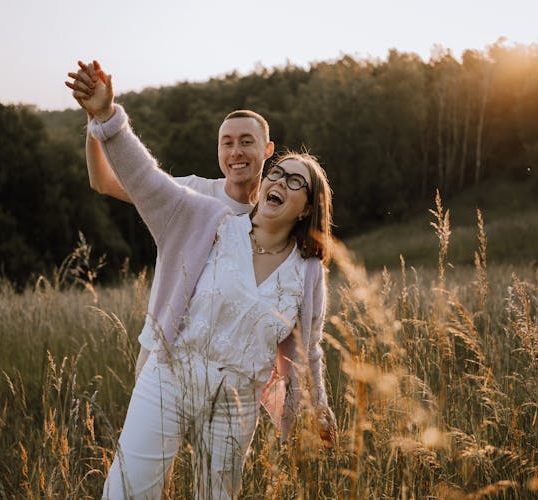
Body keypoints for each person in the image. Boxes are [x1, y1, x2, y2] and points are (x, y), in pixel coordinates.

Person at [68, 62, 337, 499]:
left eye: (295, 182)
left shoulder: (306, 271)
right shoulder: (205, 215)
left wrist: (317, 404)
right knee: (128, 492)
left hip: (238, 399)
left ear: (306, 207)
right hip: (172, 371)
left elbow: (309, 344)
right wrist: (105, 116)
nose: (280, 182)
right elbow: (142, 178)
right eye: (279, 175)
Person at [66, 61, 274, 379]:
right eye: (227, 143)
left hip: (229, 372)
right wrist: (96, 119)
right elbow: (103, 183)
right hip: (164, 359)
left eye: (246, 141)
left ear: (267, 149)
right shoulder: (190, 193)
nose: (236, 151)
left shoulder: (274, 218)